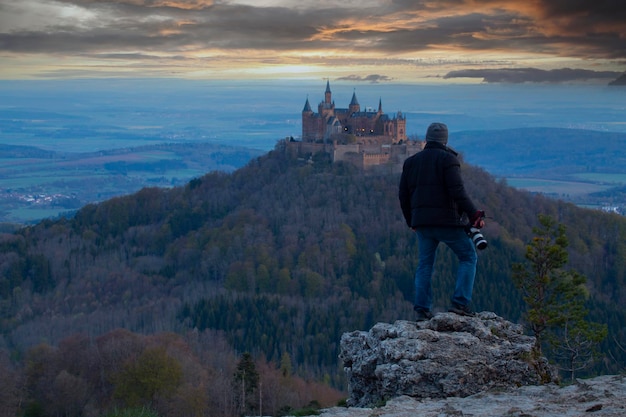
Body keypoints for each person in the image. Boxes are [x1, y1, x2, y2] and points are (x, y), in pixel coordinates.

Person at [398, 122, 485, 321]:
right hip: (448, 221)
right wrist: (474, 215)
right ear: (445, 140)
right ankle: (460, 304)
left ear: (427, 139)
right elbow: (458, 192)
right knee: (468, 257)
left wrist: (411, 221)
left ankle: (422, 310)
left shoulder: (411, 162)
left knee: (425, 264)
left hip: (422, 223)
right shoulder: (448, 160)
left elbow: (403, 195)